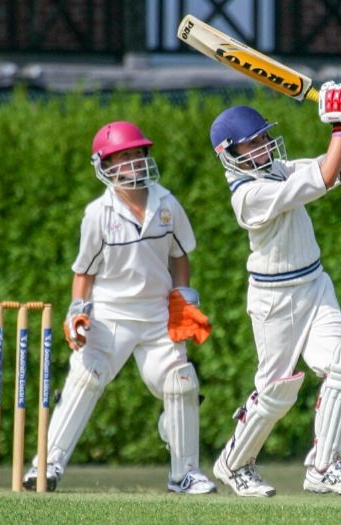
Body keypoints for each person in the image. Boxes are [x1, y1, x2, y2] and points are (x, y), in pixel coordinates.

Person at [23, 121, 215, 494]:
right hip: (110, 315)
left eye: (138, 154)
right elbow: (84, 271)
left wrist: (183, 298)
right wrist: (77, 310)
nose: (135, 163)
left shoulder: (167, 203)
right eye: (124, 157)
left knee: (181, 381)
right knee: (85, 377)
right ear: (106, 166)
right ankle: (45, 468)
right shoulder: (98, 213)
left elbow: (180, 257)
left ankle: (185, 474)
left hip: (158, 315)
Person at [207, 82, 341, 497]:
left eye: (265, 136)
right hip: (274, 301)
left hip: (315, 285)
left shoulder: (275, 169)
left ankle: (324, 467)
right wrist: (338, 125)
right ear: (229, 153)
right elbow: (321, 178)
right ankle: (234, 464)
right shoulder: (247, 195)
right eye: (254, 143)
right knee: (276, 393)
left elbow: (329, 166)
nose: (265, 145)